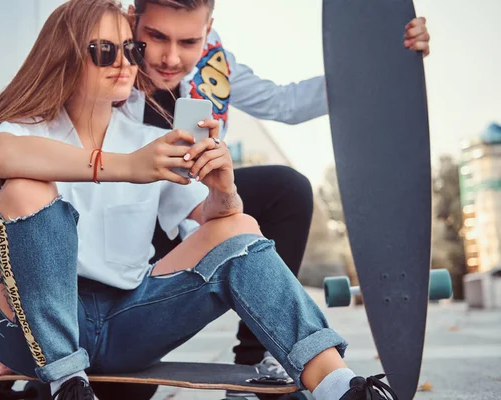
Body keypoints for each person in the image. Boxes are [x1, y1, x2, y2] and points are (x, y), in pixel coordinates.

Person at [0, 0, 401, 399]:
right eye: (105, 51)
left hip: (121, 323)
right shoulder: (29, 129)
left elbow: (221, 215)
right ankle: (64, 379)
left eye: (129, 51)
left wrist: (223, 188)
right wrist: (126, 166)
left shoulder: (154, 135)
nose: (124, 63)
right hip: (30, 322)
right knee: (27, 187)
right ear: (66, 53)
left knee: (240, 226)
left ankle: (336, 383)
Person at [124, 0, 432, 387]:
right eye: (156, 38)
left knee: (287, 189)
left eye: (188, 40)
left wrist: (385, 58)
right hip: (119, 217)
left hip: (191, 204)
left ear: (208, 28)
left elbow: (284, 102)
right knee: (125, 390)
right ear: (133, 20)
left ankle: (258, 359)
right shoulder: (104, 49)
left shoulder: (214, 59)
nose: (170, 58)